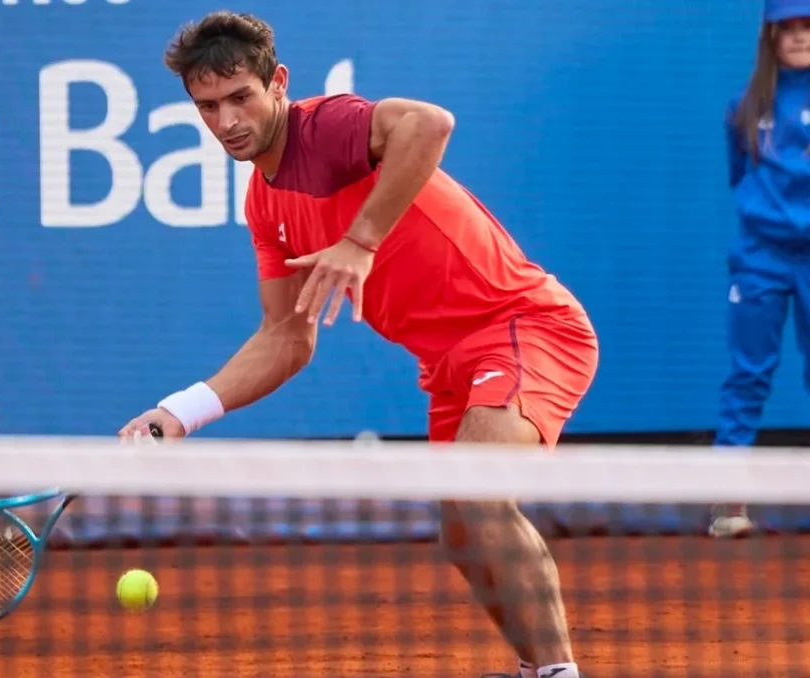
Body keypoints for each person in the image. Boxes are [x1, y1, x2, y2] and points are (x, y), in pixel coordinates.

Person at [120, 11, 598, 678]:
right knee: (463, 535)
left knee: (480, 494)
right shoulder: (264, 204)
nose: (226, 121)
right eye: (207, 106)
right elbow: (286, 337)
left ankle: (559, 674)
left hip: (523, 326)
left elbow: (429, 124)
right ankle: (536, 669)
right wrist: (180, 411)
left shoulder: (325, 127)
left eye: (240, 97)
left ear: (277, 83)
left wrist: (360, 241)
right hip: (449, 365)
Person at [709, 0, 810, 540]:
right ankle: (729, 504)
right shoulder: (745, 107)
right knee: (748, 374)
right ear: (769, 38)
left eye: (808, 25)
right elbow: (739, 175)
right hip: (760, 258)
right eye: (786, 28)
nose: (798, 36)